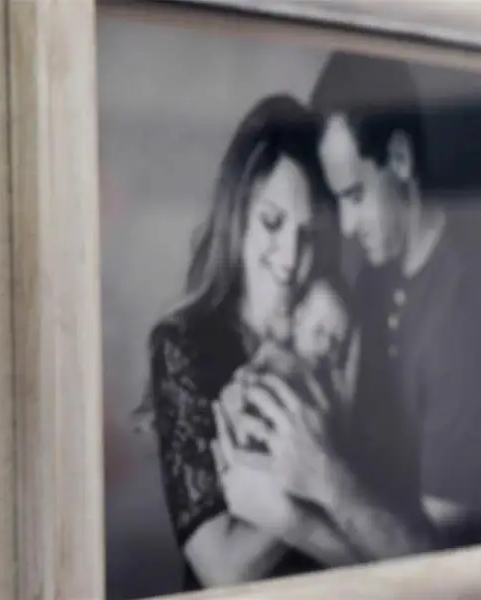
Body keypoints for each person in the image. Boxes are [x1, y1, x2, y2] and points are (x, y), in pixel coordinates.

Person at [222, 51, 481, 560]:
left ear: (400, 159)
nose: (349, 226)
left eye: (355, 195)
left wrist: (313, 492)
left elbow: (439, 573)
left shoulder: (468, 328)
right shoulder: (377, 281)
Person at [146, 93, 361, 591]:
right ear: (236, 213)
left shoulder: (339, 324)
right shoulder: (182, 346)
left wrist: (292, 492)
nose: (289, 257)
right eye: (272, 222)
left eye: (309, 234)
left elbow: (370, 550)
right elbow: (221, 567)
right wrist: (318, 469)